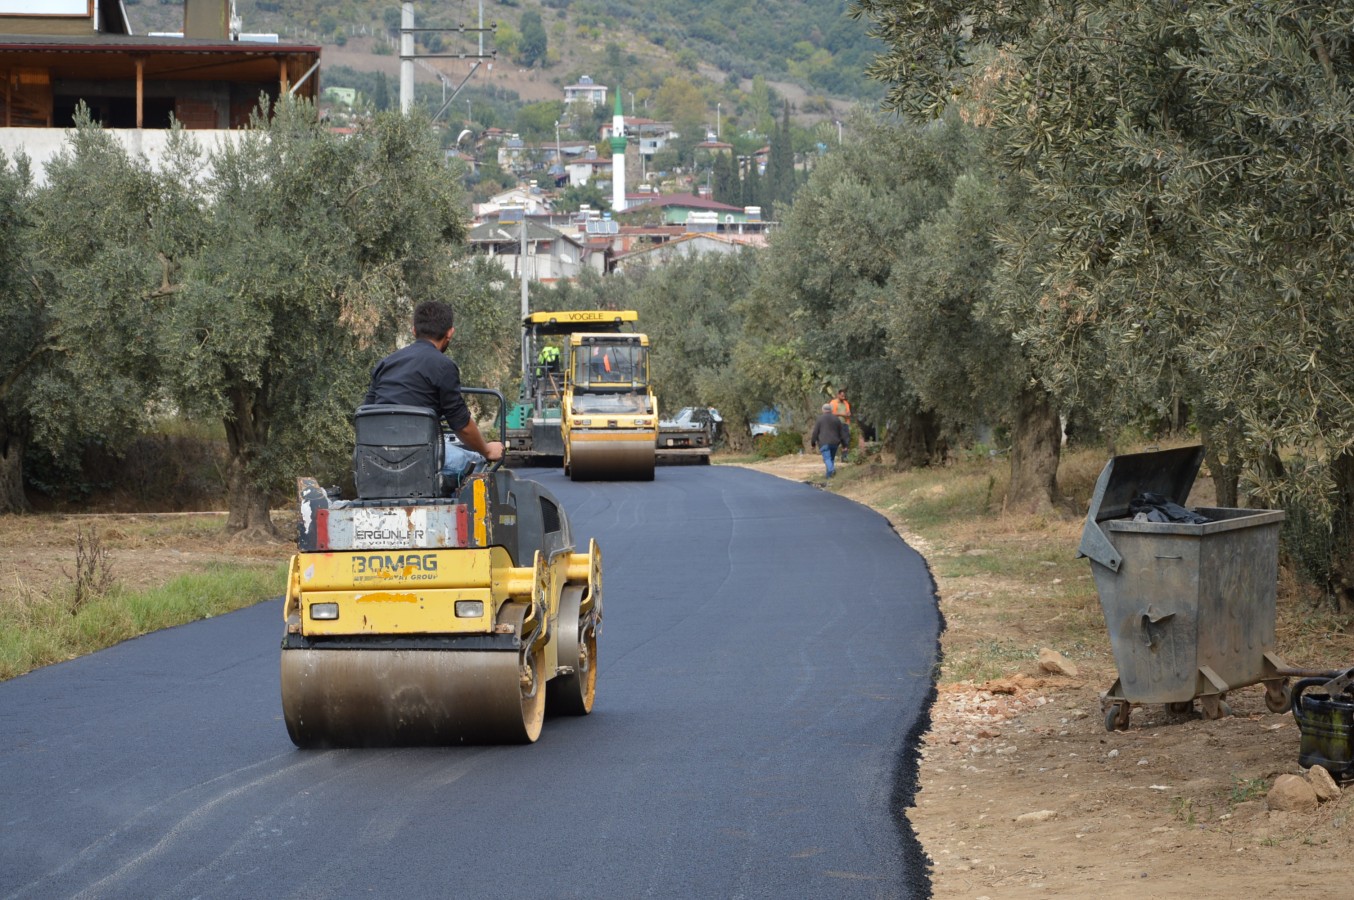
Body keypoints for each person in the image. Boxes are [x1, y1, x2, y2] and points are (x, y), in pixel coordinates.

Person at [364, 300, 504, 472]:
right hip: (421, 457)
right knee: (477, 463)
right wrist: (488, 450)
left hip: (377, 456)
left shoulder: (384, 364)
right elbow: (461, 424)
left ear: (414, 331)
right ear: (450, 333)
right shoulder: (443, 366)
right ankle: (457, 499)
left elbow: (366, 414)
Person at [810, 402, 848, 480]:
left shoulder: (820, 419)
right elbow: (842, 433)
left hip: (824, 442)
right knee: (831, 459)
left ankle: (831, 470)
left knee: (827, 459)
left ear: (823, 410)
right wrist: (844, 445)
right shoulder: (836, 419)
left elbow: (815, 433)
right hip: (835, 443)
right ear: (831, 410)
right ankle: (829, 478)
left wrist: (813, 444)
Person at [830, 388, 853, 462]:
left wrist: (848, 414)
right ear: (838, 395)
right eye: (842, 396)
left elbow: (848, 412)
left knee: (845, 441)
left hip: (845, 424)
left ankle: (844, 457)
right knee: (835, 441)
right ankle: (831, 457)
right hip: (836, 424)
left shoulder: (846, 403)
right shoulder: (833, 403)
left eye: (844, 396)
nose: (843, 397)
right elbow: (831, 413)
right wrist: (842, 414)